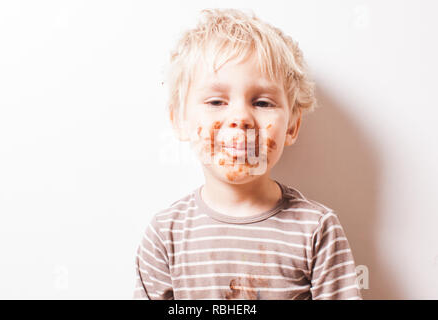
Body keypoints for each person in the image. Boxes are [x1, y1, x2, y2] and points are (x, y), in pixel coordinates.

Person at [133, 8, 362, 300]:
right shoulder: (166, 235)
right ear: (180, 121)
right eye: (216, 101)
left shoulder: (317, 230)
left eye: (263, 103)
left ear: (292, 126)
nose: (240, 117)